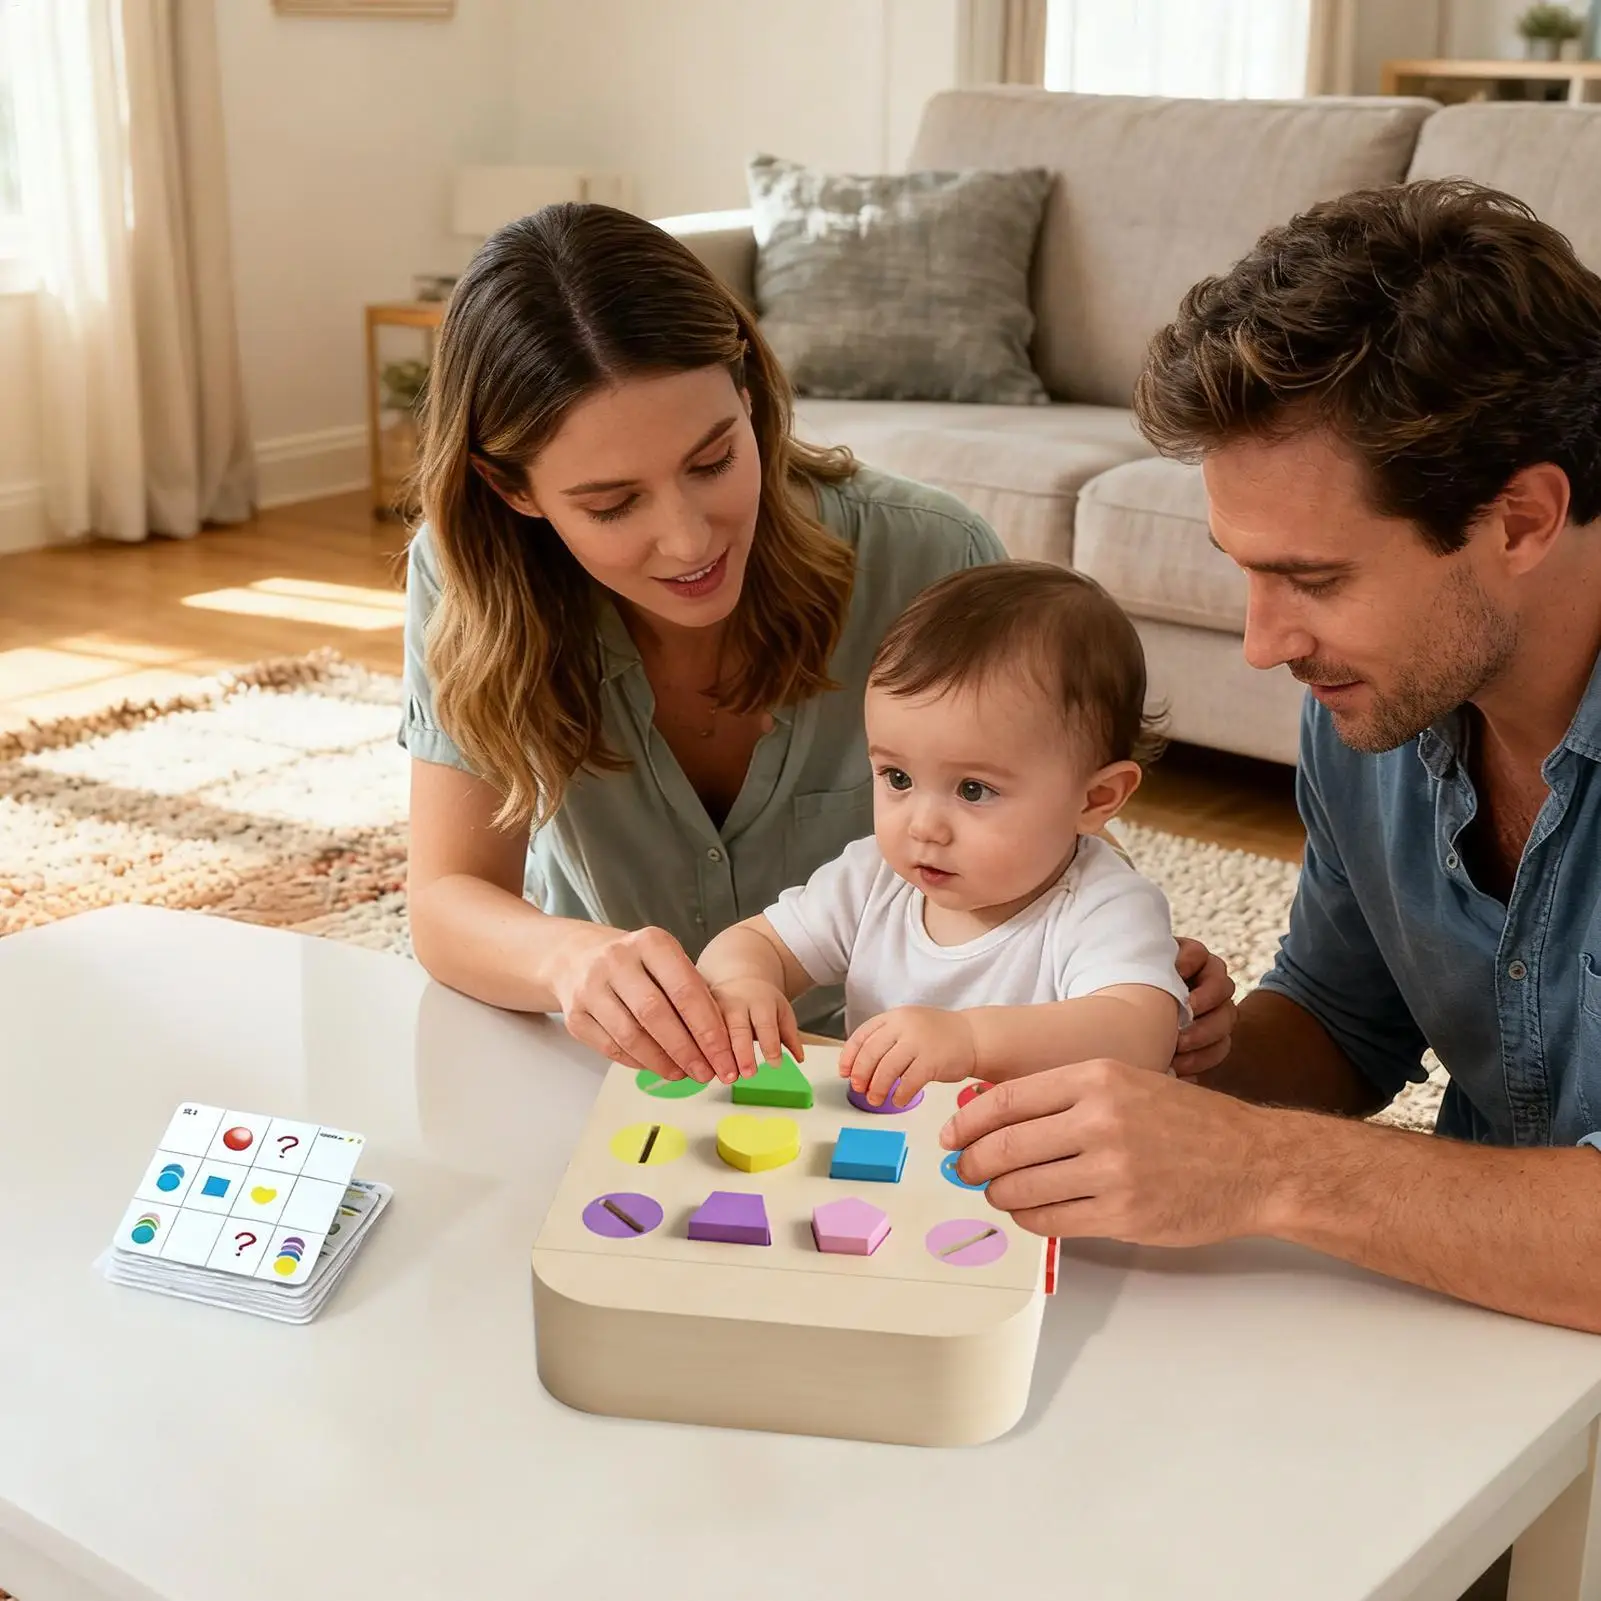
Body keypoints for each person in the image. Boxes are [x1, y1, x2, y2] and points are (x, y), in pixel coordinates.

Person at [941, 176, 1601, 1339]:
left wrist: (1262, 1166)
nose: (1261, 642)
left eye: (1312, 577)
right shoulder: (1378, 704)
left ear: (1520, 520)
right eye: (1245, 569)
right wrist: (1161, 1062)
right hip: (1479, 1337)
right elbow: (1343, 1022)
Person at [397, 201, 1227, 1081]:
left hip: (884, 1077)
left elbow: (1052, 806)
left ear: (749, 400)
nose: (688, 541)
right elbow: (449, 899)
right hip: (609, 1058)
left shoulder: (926, 553)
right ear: (513, 489)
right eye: (611, 505)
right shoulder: (470, 579)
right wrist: (567, 959)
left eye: (714, 460)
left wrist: (1131, 968)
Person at [696, 561, 1191, 1104]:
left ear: (1096, 799)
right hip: (890, 1151)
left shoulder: (1104, 905)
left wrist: (970, 1039)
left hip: (1045, 1165)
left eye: (973, 790)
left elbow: (1139, 1034)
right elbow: (754, 942)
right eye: (898, 778)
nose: (923, 826)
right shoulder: (872, 881)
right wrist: (744, 984)